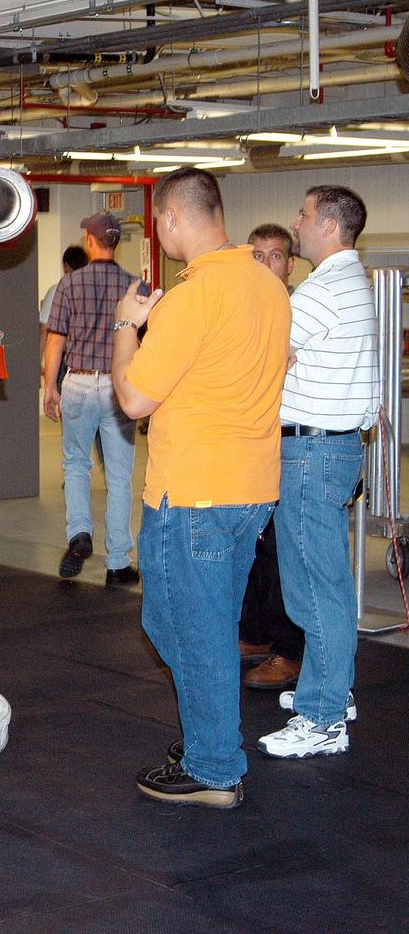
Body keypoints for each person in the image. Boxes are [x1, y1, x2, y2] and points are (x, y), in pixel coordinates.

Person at [111, 167, 290, 809]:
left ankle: (215, 764)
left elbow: (132, 397)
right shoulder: (268, 286)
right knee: (182, 622)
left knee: (196, 630)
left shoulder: (194, 298)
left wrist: (128, 326)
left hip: (196, 495)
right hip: (250, 490)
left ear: (173, 219)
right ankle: (211, 738)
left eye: (159, 221)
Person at [257, 186, 378, 760]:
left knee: (312, 589)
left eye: (303, 214)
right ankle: (333, 689)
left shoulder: (323, 292)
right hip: (332, 449)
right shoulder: (351, 284)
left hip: (311, 454)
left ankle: (323, 717)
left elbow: (261, 355)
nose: (295, 222)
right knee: (321, 584)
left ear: (329, 226)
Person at [43, 214, 145, 586]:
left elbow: (56, 340)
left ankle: (79, 534)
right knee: (119, 475)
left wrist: (50, 387)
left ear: (89, 239)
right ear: (115, 242)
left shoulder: (69, 283)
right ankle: (118, 562)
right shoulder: (135, 287)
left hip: (80, 384)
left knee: (75, 464)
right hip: (120, 388)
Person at [238, 223, 308, 691]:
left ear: (290, 263)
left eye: (276, 256)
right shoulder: (245, 310)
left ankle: (290, 651)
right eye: (258, 256)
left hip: (294, 443)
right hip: (251, 442)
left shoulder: (299, 308)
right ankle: (257, 634)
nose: (266, 264)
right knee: (254, 544)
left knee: (286, 551)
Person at [38, 245, 90, 387]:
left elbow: (44, 330)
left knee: (63, 404)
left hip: (65, 359)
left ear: (66, 266)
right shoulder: (93, 292)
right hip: (91, 360)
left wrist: (38, 361)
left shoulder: (57, 290)